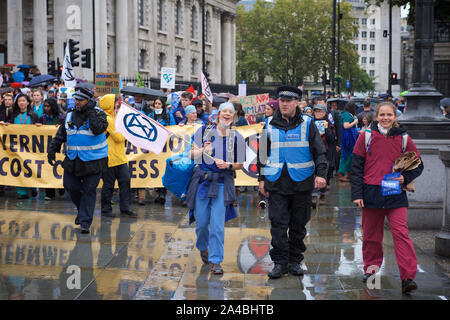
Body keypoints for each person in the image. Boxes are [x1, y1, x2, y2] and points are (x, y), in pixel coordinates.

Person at [350, 101, 424, 294]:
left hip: (395, 194)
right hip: (371, 193)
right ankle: (371, 271)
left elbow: (418, 164)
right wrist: (357, 194)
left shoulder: (404, 138)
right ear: (376, 117)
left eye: (389, 115)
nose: (385, 118)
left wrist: (405, 177)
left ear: (395, 117)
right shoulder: (365, 136)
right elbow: (356, 167)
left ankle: (408, 277)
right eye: (382, 115)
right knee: (371, 237)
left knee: (401, 234)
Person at [257, 86, 327, 279]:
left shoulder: (307, 123)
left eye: (289, 101)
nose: (284, 104)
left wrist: (321, 174)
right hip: (276, 181)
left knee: (298, 224)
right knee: (278, 224)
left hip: (302, 181)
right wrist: (261, 178)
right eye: (282, 100)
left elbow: (319, 151)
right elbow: (262, 153)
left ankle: (295, 260)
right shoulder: (269, 123)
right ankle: (280, 262)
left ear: (297, 102)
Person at [186, 102, 246, 275]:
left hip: (221, 184)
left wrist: (228, 165)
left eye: (231, 112)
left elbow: (240, 165)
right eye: (224, 111)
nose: (227, 114)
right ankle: (203, 247)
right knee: (202, 223)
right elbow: (191, 154)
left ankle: (215, 260)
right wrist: (203, 150)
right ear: (219, 114)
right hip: (202, 184)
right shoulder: (203, 131)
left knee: (218, 226)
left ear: (234, 116)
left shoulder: (237, 137)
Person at [47, 87, 109, 234]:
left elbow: (97, 129)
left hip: (94, 160)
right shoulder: (69, 115)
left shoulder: (99, 114)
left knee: (89, 191)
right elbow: (61, 134)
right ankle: (82, 212)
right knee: (70, 186)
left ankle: (85, 222)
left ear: (89, 101)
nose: (77, 102)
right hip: (73, 159)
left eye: (80, 100)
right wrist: (52, 149)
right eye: (76, 99)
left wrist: (91, 111)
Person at [99, 94, 137, 218]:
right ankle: (106, 209)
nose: (117, 104)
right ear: (110, 104)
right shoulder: (108, 119)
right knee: (109, 185)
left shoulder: (114, 117)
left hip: (119, 158)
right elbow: (119, 137)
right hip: (110, 158)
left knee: (124, 182)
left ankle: (125, 208)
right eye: (115, 102)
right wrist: (126, 131)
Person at [9, 94, 41, 199]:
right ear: (17, 103)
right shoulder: (13, 115)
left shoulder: (33, 115)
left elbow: (40, 130)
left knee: (30, 167)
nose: (21, 103)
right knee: (18, 168)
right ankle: (22, 192)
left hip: (31, 147)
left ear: (28, 102)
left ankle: (32, 187)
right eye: (19, 101)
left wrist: (39, 126)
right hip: (17, 147)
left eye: (23, 101)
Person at [39, 98, 66, 200]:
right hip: (45, 148)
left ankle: (61, 187)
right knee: (47, 170)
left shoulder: (61, 118)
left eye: (48, 106)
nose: (46, 108)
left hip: (59, 148)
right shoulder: (42, 118)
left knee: (59, 168)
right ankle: (49, 193)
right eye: (44, 106)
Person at [312, 103, 337, 201]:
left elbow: (332, 139)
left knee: (323, 170)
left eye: (320, 111)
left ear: (324, 113)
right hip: (313, 151)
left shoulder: (329, 123)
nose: (318, 113)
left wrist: (326, 128)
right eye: (316, 111)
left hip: (325, 151)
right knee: (313, 171)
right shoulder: (311, 123)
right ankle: (314, 192)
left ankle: (322, 191)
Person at [338, 102, 358, 182]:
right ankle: (341, 174)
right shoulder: (347, 115)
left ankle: (347, 173)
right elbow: (346, 126)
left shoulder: (345, 114)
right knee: (346, 156)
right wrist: (354, 122)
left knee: (348, 156)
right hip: (347, 138)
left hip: (347, 137)